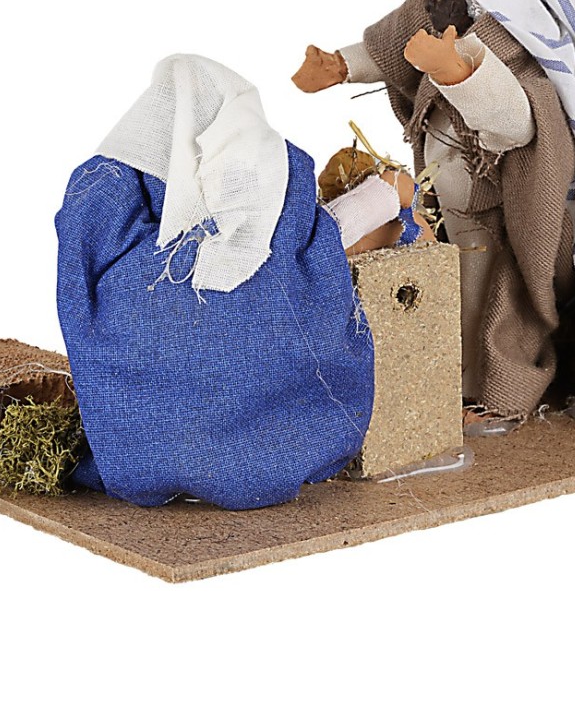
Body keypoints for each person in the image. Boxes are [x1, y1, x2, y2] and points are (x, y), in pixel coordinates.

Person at [55, 54, 426, 509]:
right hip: (271, 426)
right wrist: (388, 192)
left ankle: (155, 452)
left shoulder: (108, 187)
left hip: (136, 449)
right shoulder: (263, 178)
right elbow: (321, 236)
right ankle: (265, 450)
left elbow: (82, 268)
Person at [293, 0, 575, 418]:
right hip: (439, 198)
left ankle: (483, 393)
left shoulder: (514, 45)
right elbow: (392, 49)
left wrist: (456, 71)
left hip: (488, 206)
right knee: (435, 294)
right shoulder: (434, 15)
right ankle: (429, 379)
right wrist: (341, 66)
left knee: (477, 302)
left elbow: (519, 124)